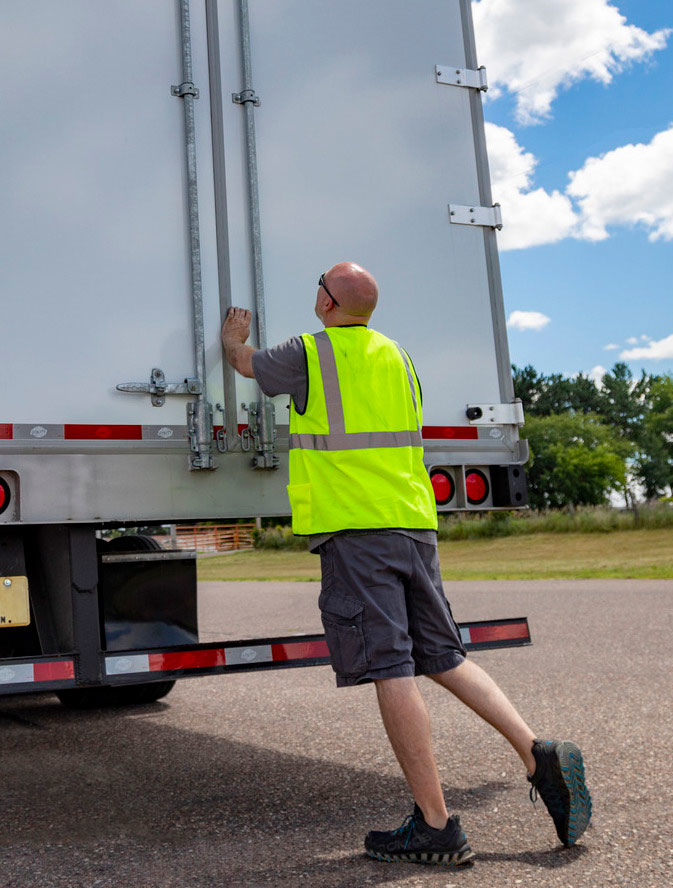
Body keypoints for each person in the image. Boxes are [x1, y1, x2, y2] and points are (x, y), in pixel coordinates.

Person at [221, 261, 591, 867]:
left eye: (319, 284)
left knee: (392, 668)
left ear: (327, 302)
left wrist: (234, 340)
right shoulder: (399, 356)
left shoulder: (309, 353)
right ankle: (536, 752)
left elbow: (244, 365)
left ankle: (437, 827)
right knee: (444, 656)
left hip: (355, 528)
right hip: (414, 524)